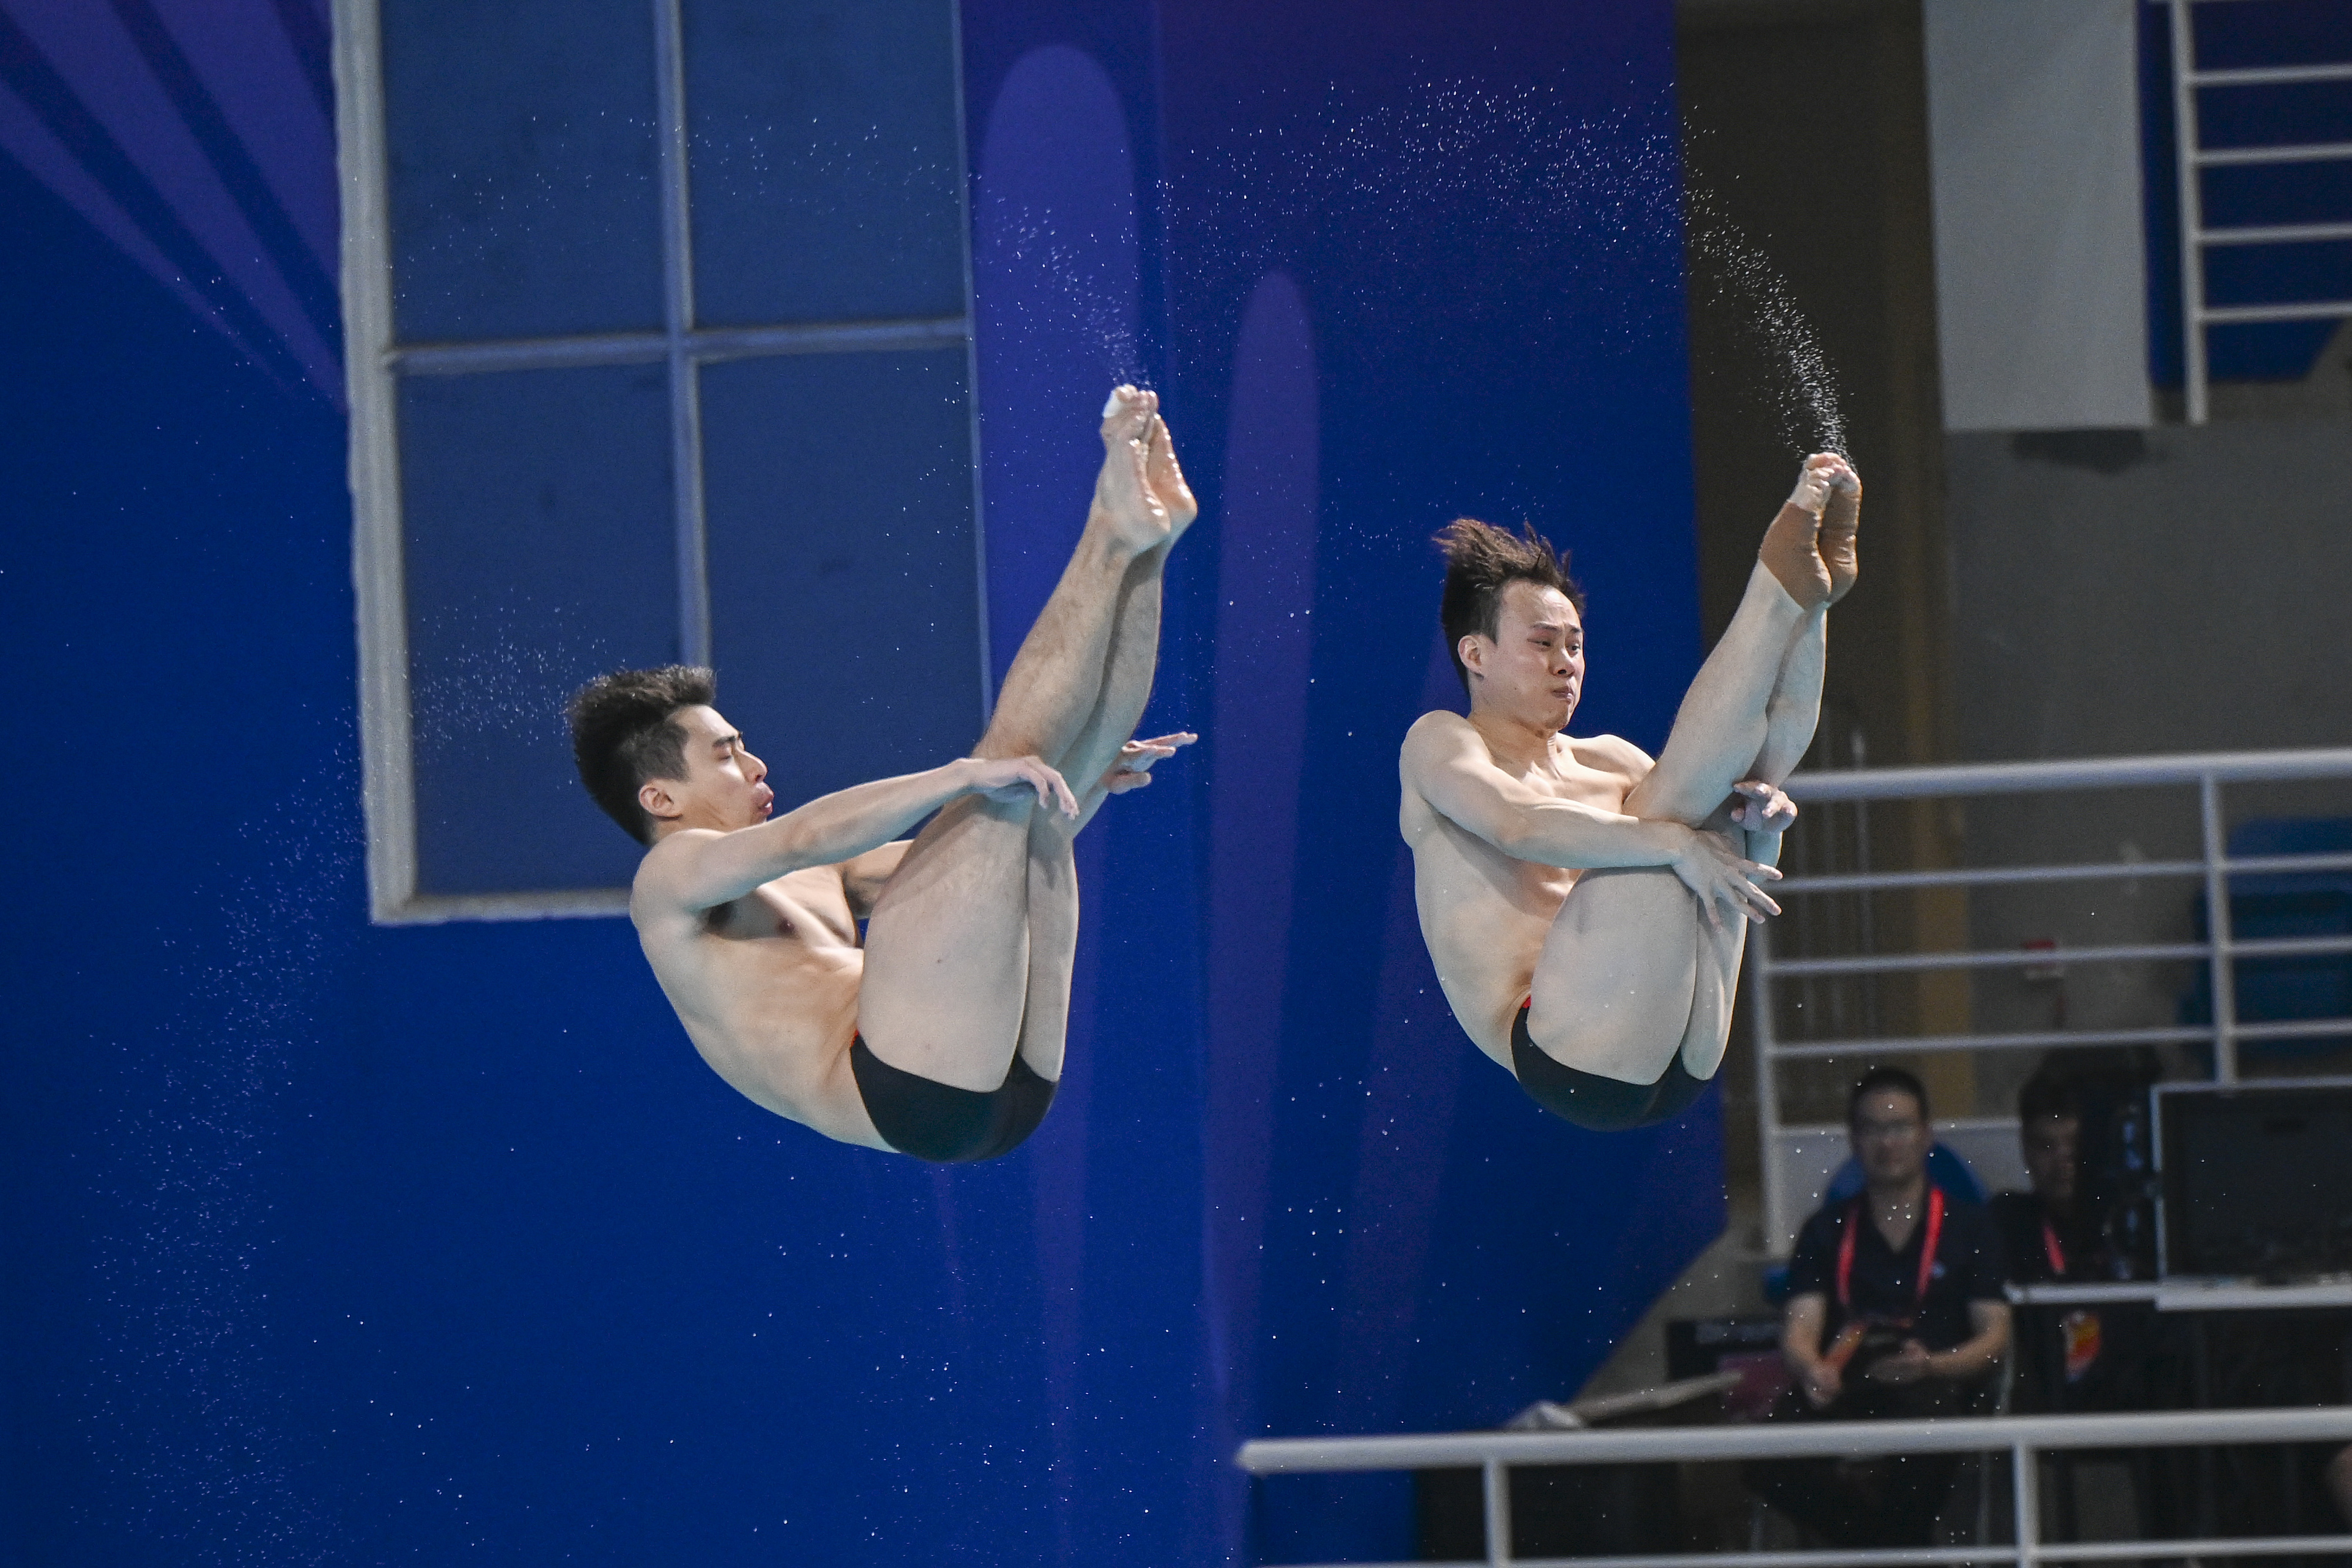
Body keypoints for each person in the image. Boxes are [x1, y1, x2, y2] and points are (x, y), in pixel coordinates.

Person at [564, 388, 1197, 1162]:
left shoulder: (827, 877)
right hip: (897, 1085)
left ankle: (1149, 547)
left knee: (1034, 811)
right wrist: (963, 771)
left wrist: (1088, 783)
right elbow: (804, 835)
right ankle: (1109, 530)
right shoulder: (668, 880)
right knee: (996, 782)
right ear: (659, 797)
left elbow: (979, 895)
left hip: (990, 1086)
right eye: (726, 752)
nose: (756, 762)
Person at [1396, 453, 1858, 1130]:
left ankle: (1808, 606)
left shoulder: (1610, 761)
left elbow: (1712, 809)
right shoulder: (1440, 742)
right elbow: (1515, 826)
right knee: (1666, 820)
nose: (1565, 663)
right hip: (1563, 1051)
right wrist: (1672, 841)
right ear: (1475, 655)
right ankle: (1778, 592)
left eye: (1576, 645)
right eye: (1543, 642)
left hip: (1688, 1044)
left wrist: (1760, 821)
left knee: (1723, 791)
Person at [1747, 1067, 2012, 1546]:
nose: (1887, 1142)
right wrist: (1812, 1369)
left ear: (1926, 1134)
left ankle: (1877, 1546)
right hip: (1845, 1387)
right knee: (1761, 1458)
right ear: (1854, 1139)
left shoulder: (1972, 1228)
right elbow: (1800, 1327)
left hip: (1932, 1389)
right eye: (1872, 1128)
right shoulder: (1825, 1229)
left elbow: (1995, 1335)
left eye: (1900, 1127)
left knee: (1931, 1449)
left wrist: (1936, 1364)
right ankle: (1883, 1547)